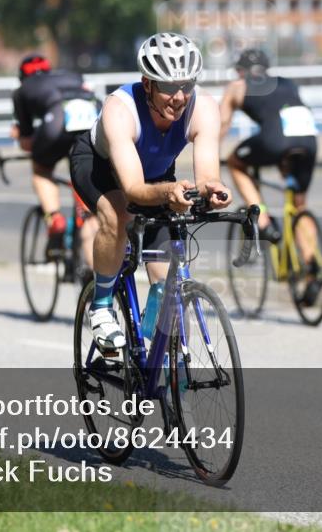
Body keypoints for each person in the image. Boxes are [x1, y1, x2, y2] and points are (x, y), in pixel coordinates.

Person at [69, 32, 231, 350]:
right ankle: (101, 306)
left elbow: (207, 175)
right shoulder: (120, 109)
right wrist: (169, 192)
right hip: (101, 168)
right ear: (147, 84)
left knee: (168, 283)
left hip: (156, 177)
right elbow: (132, 190)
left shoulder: (204, 107)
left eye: (187, 85)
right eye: (168, 87)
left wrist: (214, 189)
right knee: (118, 215)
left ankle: (165, 360)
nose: (179, 97)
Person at [218, 48, 322, 303]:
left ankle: (263, 220)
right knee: (299, 206)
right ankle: (312, 268)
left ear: (240, 71)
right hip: (308, 139)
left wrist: (209, 156)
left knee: (235, 162)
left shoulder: (238, 85)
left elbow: (220, 125)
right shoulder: (286, 82)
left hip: (276, 138)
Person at [11, 54, 100, 262]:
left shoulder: (22, 91)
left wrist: (19, 136)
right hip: (95, 118)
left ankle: (54, 218)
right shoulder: (72, 76)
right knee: (89, 201)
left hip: (57, 121)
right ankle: (94, 271)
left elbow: (27, 142)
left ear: (22, 76)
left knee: (41, 170)